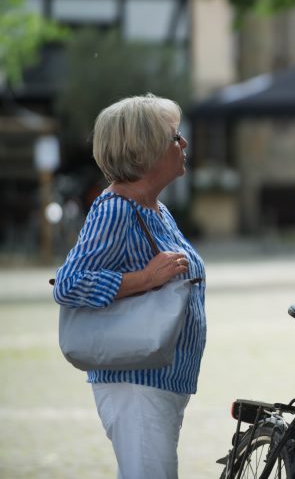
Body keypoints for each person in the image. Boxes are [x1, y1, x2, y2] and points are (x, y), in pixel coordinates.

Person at [53, 94, 206, 479]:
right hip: (134, 383)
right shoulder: (115, 209)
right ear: (146, 149)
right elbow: (69, 285)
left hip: (159, 379)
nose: (183, 144)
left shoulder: (155, 209)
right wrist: (145, 278)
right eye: (175, 138)